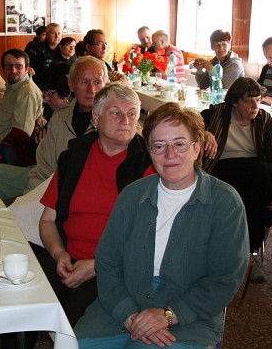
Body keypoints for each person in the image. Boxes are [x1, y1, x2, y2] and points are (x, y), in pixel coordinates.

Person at [76, 102, 249, 349]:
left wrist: (168, 315)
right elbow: (107, 262)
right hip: (123, 302)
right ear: (150, 152)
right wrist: (129, 315)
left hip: (189, 316)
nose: (169, 154)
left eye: (179, 144)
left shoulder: (224, 202)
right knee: (72, 344)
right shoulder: (132, 195)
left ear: (196, 148)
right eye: (159, 146)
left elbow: (224, 279)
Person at [38, 83, 155, 326]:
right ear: (96, 116)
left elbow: (150, 237)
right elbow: (48, 220)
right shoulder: (74, 157)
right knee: (20, 296)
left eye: (132, 113)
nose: (125, 120)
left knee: (74, 316)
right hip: (67, 257)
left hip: (117, 267)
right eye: (116, 113)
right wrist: (58, 253)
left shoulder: (148, 164)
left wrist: (97, 266)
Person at [201, 77, 272, 279]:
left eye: (258, 100)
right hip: (222, 168)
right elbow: (190, 123)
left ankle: (249, 256)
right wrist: (204, 133)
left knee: (256, 200)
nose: (255, 106)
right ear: (234, 102)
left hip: (255, 173)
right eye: (248, 101)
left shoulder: (264, 119)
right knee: (263, 173)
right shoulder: (216, 113)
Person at [0, 56, 109, 202]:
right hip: (51, 188)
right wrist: (30, 201)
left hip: (88, 196)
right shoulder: (60, 118)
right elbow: (44, 169)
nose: (91, 89)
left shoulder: (112, 122)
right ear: (71, 85)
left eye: (97, 82)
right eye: (84, 82)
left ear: (106, 85)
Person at [0, 49, 43, 166]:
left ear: (27, 68)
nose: (13, 70)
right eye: (9, 66)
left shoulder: (27, 92)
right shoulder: (13, 87)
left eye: (19, 66)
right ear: (3, 68)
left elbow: (21, 132)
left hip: (6, 154)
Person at [31, 23, 62, 89]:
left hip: (59, 87)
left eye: (59, 33)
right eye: (53, 33)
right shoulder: (36, 49)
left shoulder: (66, 48)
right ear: (47, 35)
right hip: (40, 86)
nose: (57, 36)